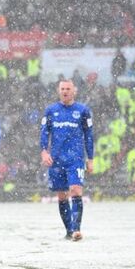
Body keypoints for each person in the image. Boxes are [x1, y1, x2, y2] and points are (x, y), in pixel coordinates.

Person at [40, 79, 94, 241]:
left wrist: (90, 158)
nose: (65, 91)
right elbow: (44, 132)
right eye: (62, 89)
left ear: (74, 91)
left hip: (75, 158)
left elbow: (89, 136)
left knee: (76, 190)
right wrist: (44, 152)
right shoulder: (51, 111)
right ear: (59, 91)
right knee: (62, 196)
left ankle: (77, 229)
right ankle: (69, 231)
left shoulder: (83, 111)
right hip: (56, 160)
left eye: (68, 89)